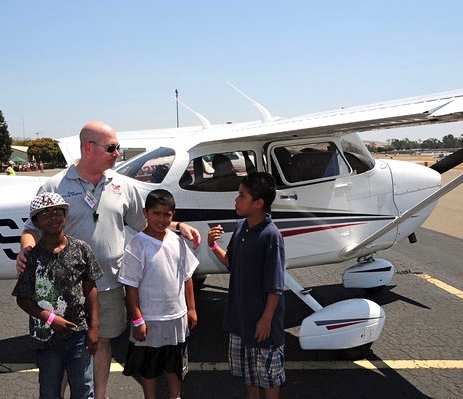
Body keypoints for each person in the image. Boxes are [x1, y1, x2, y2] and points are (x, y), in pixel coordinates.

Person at [16, 121, 201, 399]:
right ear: (89, 148)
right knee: (65, 350)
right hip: (67, 290)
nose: (118, 154)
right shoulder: (55, 184)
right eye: (112, 148)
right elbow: (32, 228)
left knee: (102, 344)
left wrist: (179, 227)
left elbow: (145, 222)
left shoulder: (121, 185)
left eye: (118, 148)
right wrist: (26, 246)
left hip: (110, 283)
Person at [12, 192, 101, 399]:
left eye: (57, 212)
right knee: (50, 390)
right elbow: (23, 298)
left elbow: (90, 288)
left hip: (79, 333)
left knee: (84, 389)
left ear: (65, 215)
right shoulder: (31, 256)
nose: (53, 218)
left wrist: (94, 327)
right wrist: (50, 319)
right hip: (46, 337)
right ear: (36, 222)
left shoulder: (82, 249)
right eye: (45, 215)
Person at [207, 172, 286, 399]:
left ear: (259, 203)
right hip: (240, 319)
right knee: (249, 374)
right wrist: (213, 246)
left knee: (269, 375)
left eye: (242, 196)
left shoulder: (271, 236)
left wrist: (266, 319)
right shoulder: (242, 227)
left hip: (262, 322)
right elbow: (231, 262)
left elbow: (275, 285)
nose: (236, 200)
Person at [118, 189, 199, 399]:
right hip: (150, 319)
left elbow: (187, 276)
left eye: (167, 215)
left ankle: (176, 396)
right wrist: (137, 320)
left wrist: (191, 309)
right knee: (149, 366)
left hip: (176, 318)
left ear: (173, 215)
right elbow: (130, 286)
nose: (161, 219)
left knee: (175, 364)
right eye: (156, 213)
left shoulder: (177, 240)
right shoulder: (137, 245)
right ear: (145, 212)